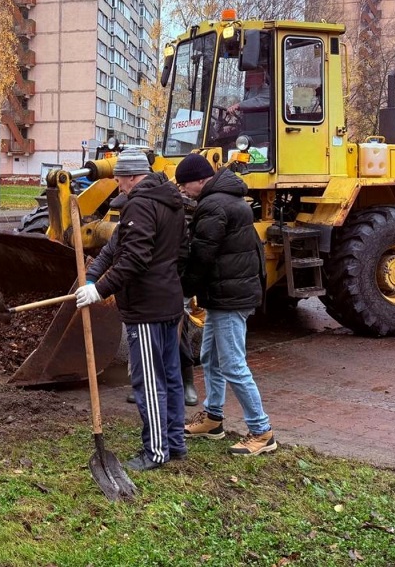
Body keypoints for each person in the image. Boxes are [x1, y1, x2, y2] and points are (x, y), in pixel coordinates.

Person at [75, 148, 188, 471]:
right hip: (169, 301)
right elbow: (117, 246)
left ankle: (156, 452)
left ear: (133, 177)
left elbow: (135, 259)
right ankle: (175, 443)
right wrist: (92, 275)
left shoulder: (140, 204)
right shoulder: (171, 201)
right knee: (171, 377)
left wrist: (100, 291)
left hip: (147, 307)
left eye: (120, 179)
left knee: (149, 381)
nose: (118, 184)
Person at [176, 153, 277, 457]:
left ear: (200, 181)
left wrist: (184, 291)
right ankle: (213, 418)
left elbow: (202, 255)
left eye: (184, 184)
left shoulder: (214, 205)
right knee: (210, 357)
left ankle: (262, 431)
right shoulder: (227, 198)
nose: (183, 190)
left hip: (229, 296)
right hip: (228, 292)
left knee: (233, 364)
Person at [85, 195, 198, 407]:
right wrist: (90, 279)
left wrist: (101, 289)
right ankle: (143, 383)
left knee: (176, 338)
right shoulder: (124, 229)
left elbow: (140, 261)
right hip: (140, 298)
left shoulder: (159, 224)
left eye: (124, 214)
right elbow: (107, 254)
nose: (122, 220)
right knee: (141, 344)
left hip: (167, 291)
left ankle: (187, 381)